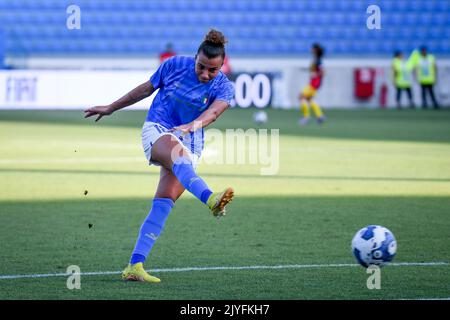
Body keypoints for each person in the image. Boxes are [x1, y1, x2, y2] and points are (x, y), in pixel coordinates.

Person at [84, 29, 235, 283]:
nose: (205, 74)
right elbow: (145, 89)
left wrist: (191, 126)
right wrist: (112, 107)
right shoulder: (174, 65)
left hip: (191, 141)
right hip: (159, 129)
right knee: (179, 158)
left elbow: (213, 114)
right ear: (194, 57)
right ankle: (210, 199)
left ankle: (135, 265)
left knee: (163, 204)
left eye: (213, 70)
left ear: (221, 66)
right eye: (201, 67)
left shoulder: (224, 86)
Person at [298, 43, 326, 125]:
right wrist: (306, 70)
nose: (310, 50)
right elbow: (313, 69)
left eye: (312, 48)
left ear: (315, 50)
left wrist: (316, 74)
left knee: (301, 96)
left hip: (314, 83)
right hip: (313, 82)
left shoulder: (318, 60)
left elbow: (322, 72)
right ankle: (320, 116)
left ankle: (306, 117)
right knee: (309, 99)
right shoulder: (316, 59)